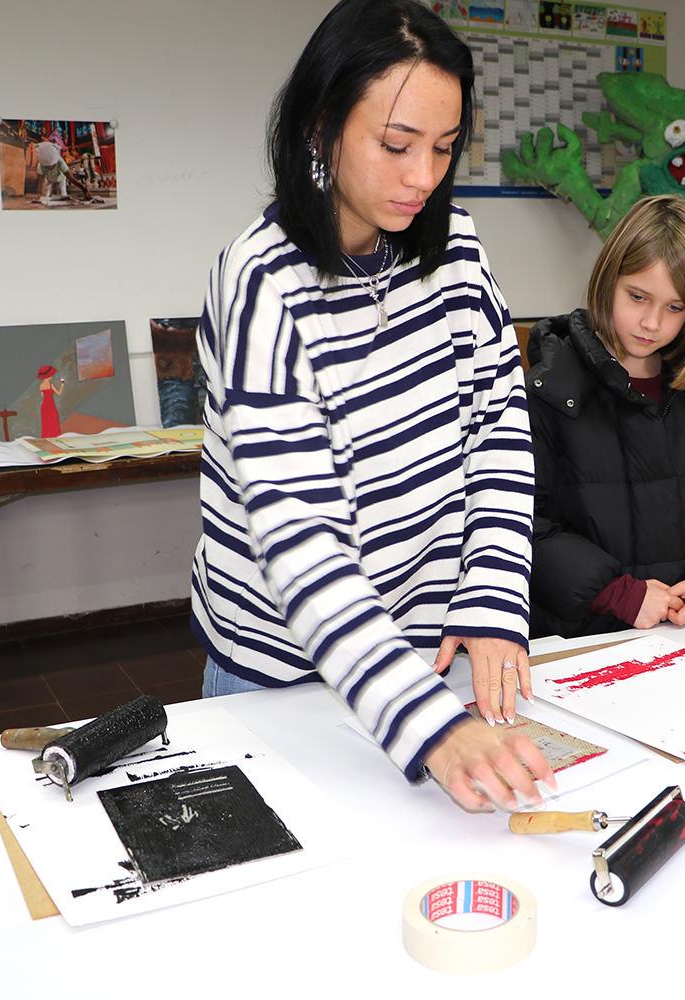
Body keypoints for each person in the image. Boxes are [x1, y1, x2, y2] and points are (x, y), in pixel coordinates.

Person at [190, 0, 553, 813]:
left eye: (444, 148)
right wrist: (433, 731)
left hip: (419, 653)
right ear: (321, 132)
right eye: (396, 146)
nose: (423, 177)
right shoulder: (262, 285)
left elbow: (498, 428)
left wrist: (492, 594)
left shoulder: (454, 246)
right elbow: (298, 535)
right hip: (282, 670)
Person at [526, 195, 685, 638]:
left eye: (674, 308)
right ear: (607, 280)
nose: (652, 322)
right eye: (637, 297)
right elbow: (521, 523)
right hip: (574, 644)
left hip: (682, 639)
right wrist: (617, 594)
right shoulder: (547, 393)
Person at [36, 365, 64, 436]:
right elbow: (59, 393)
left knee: (46, 421)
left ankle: (47, 435)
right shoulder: (51, 385)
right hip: (50, 403)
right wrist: (62, 386)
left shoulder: (41, 386)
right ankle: (54, 435)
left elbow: (42, 395)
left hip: (44, 404)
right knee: (53, 419)